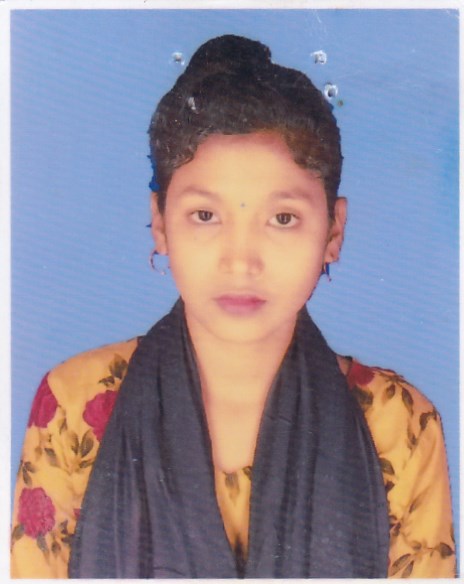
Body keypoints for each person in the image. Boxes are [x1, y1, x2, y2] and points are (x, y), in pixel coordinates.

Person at [10, 34, 455, 578]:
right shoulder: (73, 404)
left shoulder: (399, 424)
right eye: (205, 216)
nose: (241, 261)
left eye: (283, 219)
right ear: (160, 222)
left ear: (334, 231)